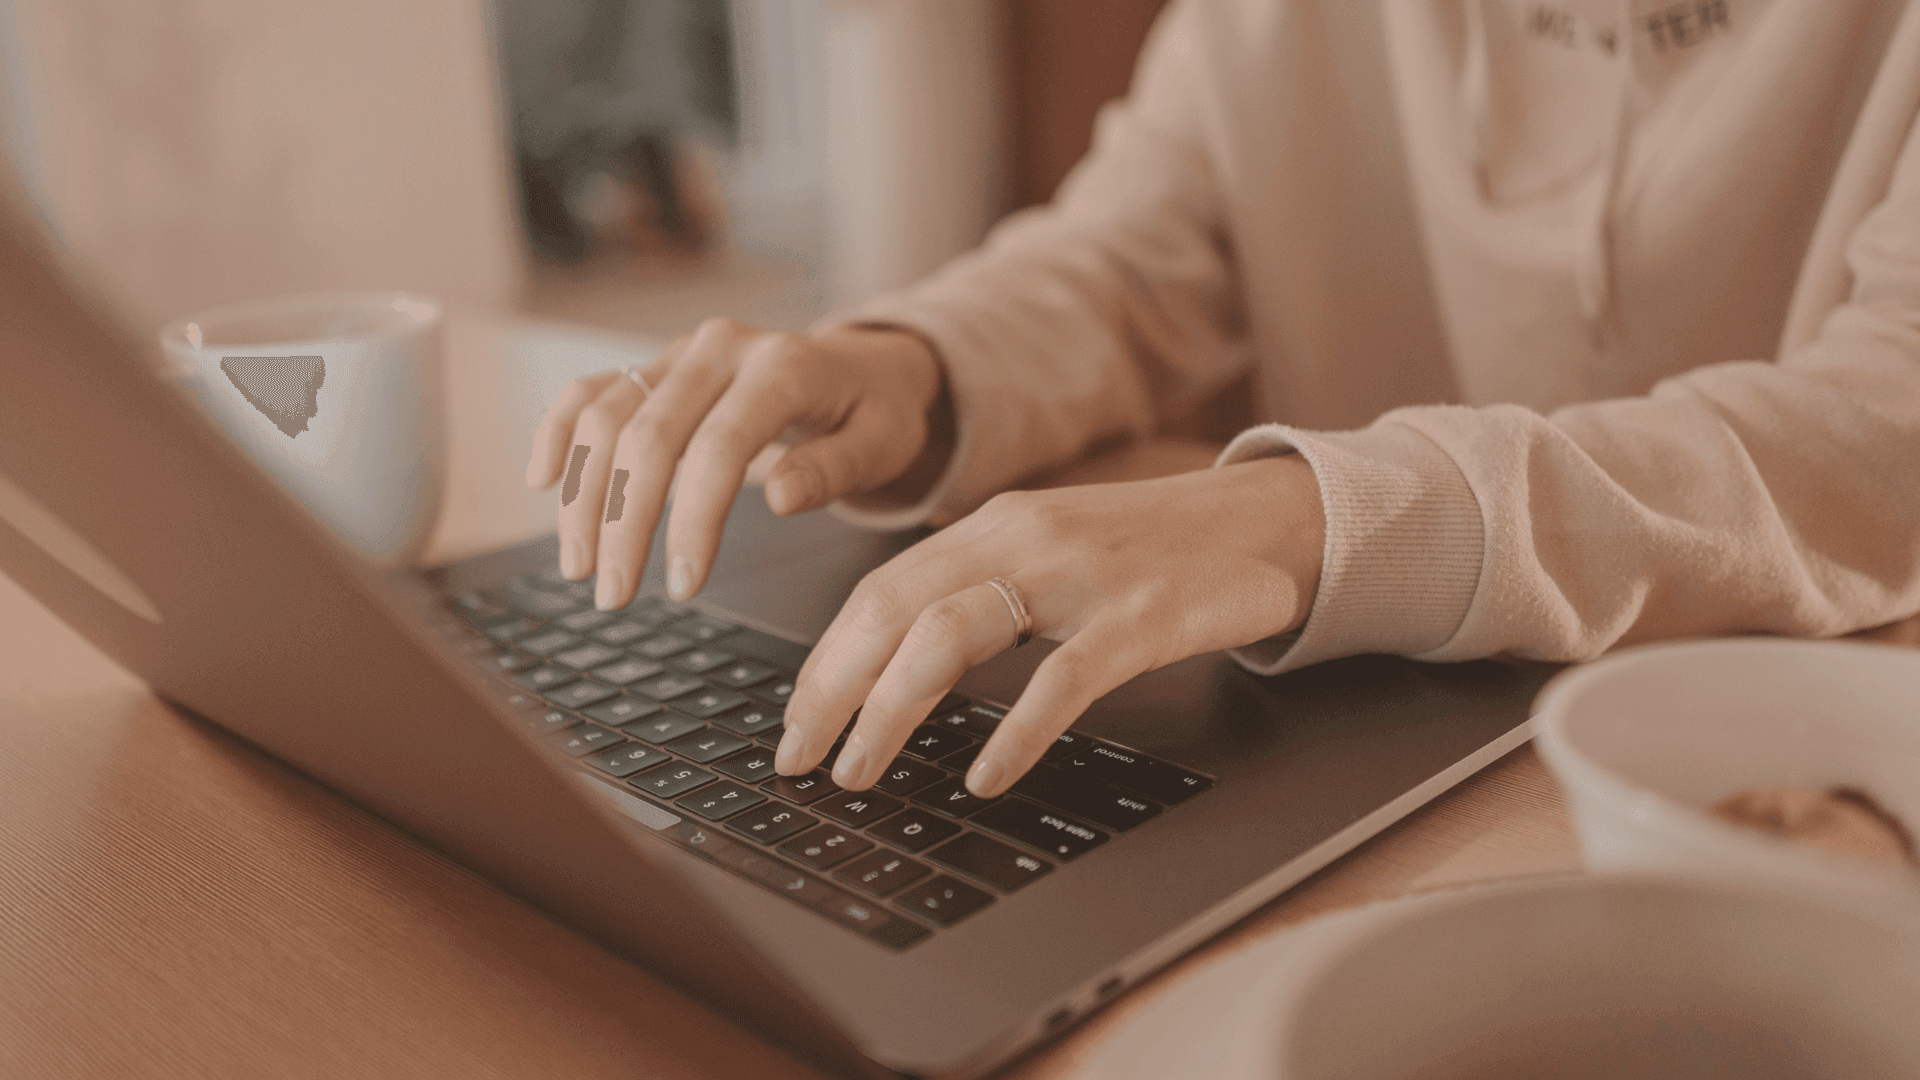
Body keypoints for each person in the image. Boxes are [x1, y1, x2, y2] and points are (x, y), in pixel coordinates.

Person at [526, 0, 1920, 803]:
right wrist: (913, 365)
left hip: (1796, 767)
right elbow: (1137, 249)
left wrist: (1303, 517)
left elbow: (1885, 420)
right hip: (1375, 750)